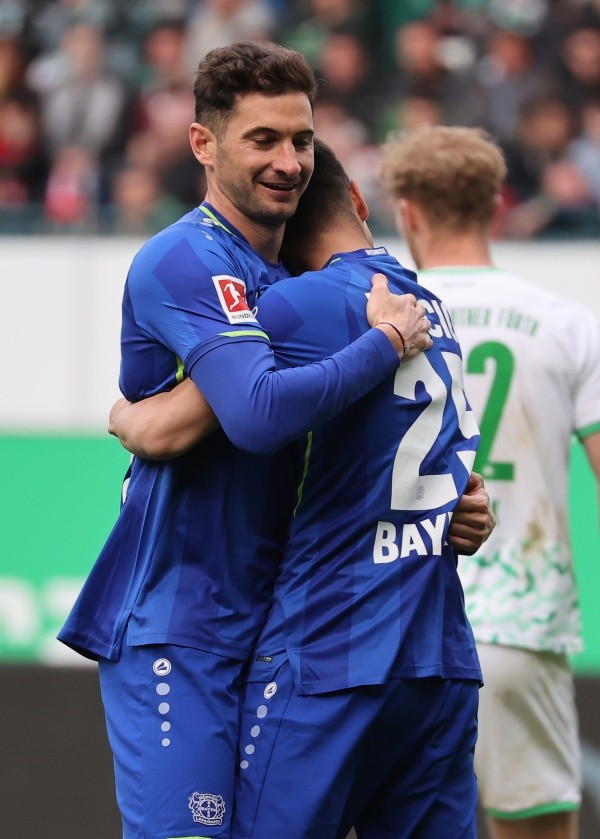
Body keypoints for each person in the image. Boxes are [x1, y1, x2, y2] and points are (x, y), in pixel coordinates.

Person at [57, 41, 433, 839]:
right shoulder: (188, 257)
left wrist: (462, 507)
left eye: (300, 139)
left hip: (283, 629)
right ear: (204, 144)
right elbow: (258, 414)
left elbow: (167, 409)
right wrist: (380, 344)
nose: (289, 161)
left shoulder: (297, 285)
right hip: (181, 623)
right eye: (262, 139)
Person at [115, 138, 493, 838]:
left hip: (331, 651)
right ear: (358, 201)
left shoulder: (297, 305)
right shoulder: (428, 307)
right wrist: (470, 507)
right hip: (438, 652)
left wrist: (128, 415)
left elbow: (179, 425)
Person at [380, 124, 600, 839]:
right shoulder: (567, 325)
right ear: (497, 204)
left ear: (407, 209)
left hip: (392, 622)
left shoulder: (380, 320)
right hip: (517, 623)